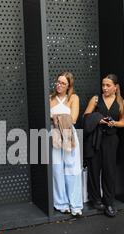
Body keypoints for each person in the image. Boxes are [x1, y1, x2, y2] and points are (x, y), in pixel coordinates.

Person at [83, 74, 124, 217]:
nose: (105, 88)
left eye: (108, 85)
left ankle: (109, 202)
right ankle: (96, 200)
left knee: (109, 171)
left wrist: (114, 123)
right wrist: (99, 119)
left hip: (111, 140)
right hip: (96, 139)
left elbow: (123, 122)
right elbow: (86, 117)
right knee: (94, 170)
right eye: (103, 85)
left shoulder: (121, 102)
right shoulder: (95, 99)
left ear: (115, 87)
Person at [50, 72, 83, 216]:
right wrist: (62, 118)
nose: (59, 85)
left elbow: (74, 119)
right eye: (58, 82)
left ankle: (75, 205)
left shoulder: (73, 98)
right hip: (55, 135)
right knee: (57, 170)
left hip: (69, 134)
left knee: (72, 170)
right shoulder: (50, 98)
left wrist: (55, 117)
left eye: (63, 83)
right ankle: (61, 203)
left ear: (69, 85)